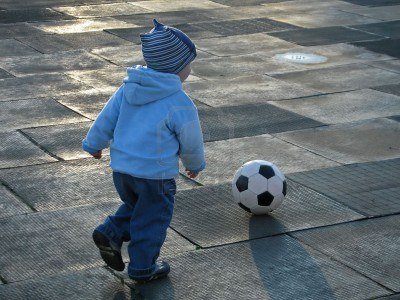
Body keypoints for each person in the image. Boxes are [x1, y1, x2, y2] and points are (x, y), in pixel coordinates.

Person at [82, 19, 206, 282]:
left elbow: (107, 118)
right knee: (152, 219)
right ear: (175, 68)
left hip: (123, 172)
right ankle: (142, 267)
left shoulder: (128, 88)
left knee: (139, 207)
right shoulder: (179, 102)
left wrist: (94, 144)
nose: (190, 71)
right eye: (188, 65)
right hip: (156, 176)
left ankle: (112, 230)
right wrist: (194, 164)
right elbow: (190, 139)